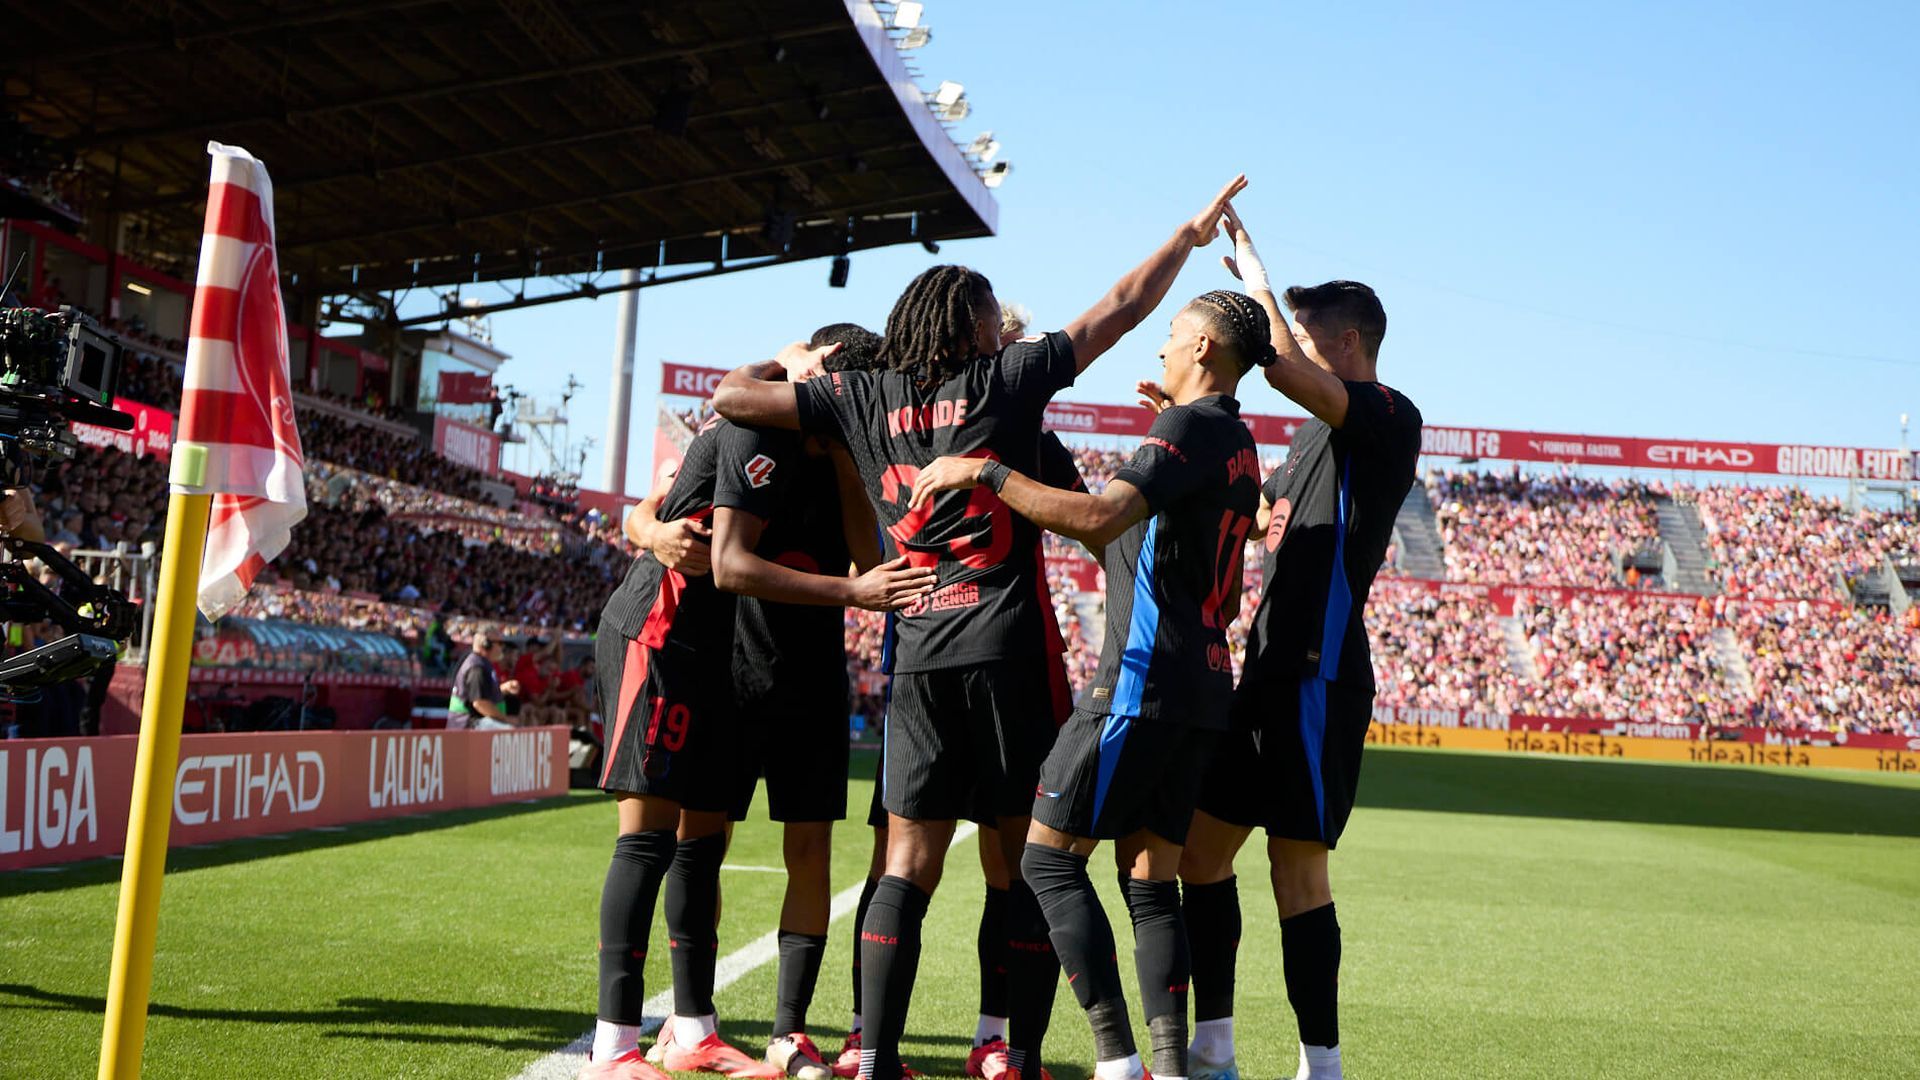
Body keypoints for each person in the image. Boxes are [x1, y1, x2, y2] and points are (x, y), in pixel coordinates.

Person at [712, 173, 1247, 1080]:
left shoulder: (859, 396)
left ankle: (874, 1056)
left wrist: (784, 360)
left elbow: (732, 398)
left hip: (918, 650)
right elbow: (1121, 307)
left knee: (905, 862)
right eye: (993, 317)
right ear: (969, 327)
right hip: (1008, 650)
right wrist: (1185, 240)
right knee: (1023, 858)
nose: (1004, 328)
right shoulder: (1007, 382)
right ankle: (1014, 1052)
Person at [910, 288, 1271, 1080]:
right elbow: (1161, 548)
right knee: (1151, 881)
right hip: (1203, 686)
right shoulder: (1237, 441)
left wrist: (986, 470)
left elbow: (1102, 520)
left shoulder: (1188, 428)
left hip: (1141, 682)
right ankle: (1168, 1067)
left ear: (1203, 347)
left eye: (1172, 335)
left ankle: (1116, 1059)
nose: (1161, 349)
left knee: (1045, 862)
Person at [583, 334, 936, 1080]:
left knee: (685, 844)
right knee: (654, 842)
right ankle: (615, 1047)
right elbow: (717, 554)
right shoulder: (755, 424)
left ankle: (694, 1030)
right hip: (670, 637)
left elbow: (859, 551)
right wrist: (650, 530)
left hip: (727, 658)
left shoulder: (829, 451)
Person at [1176, 205, 1423, 1080]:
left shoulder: (1387, 416)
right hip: (1264, 674)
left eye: (1311, 341)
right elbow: (1252, 520)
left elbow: (1278, 363)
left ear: (1348, 344)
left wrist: (1254, 274)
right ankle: (1214, 1047)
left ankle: (1322, 1066)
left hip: (1320, 677)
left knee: (1296, 871)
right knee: (1200, 857)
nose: (1293, 352)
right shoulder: (1310, 442)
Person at [447, 631, 518, 730]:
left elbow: (480, 693)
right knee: (511, 733)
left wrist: (503, 688)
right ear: (486, 645)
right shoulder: (476, 668)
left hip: (474, 723)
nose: (502, 648)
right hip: (469, 726)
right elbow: (480, 703)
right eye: (499, 643)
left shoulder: (482, 664)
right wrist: (505, 719)